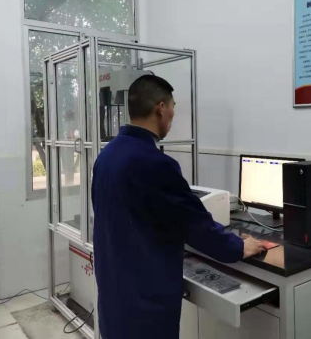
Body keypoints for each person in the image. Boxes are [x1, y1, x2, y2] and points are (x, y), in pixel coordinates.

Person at [92, 75, 266, 339]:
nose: (173, 115)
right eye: (173, 107)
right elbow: (194, 224)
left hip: (113, 292)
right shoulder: (154, 162)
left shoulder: (106, 155)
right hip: (145, 303)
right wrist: (239, 247)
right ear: (161, 108)